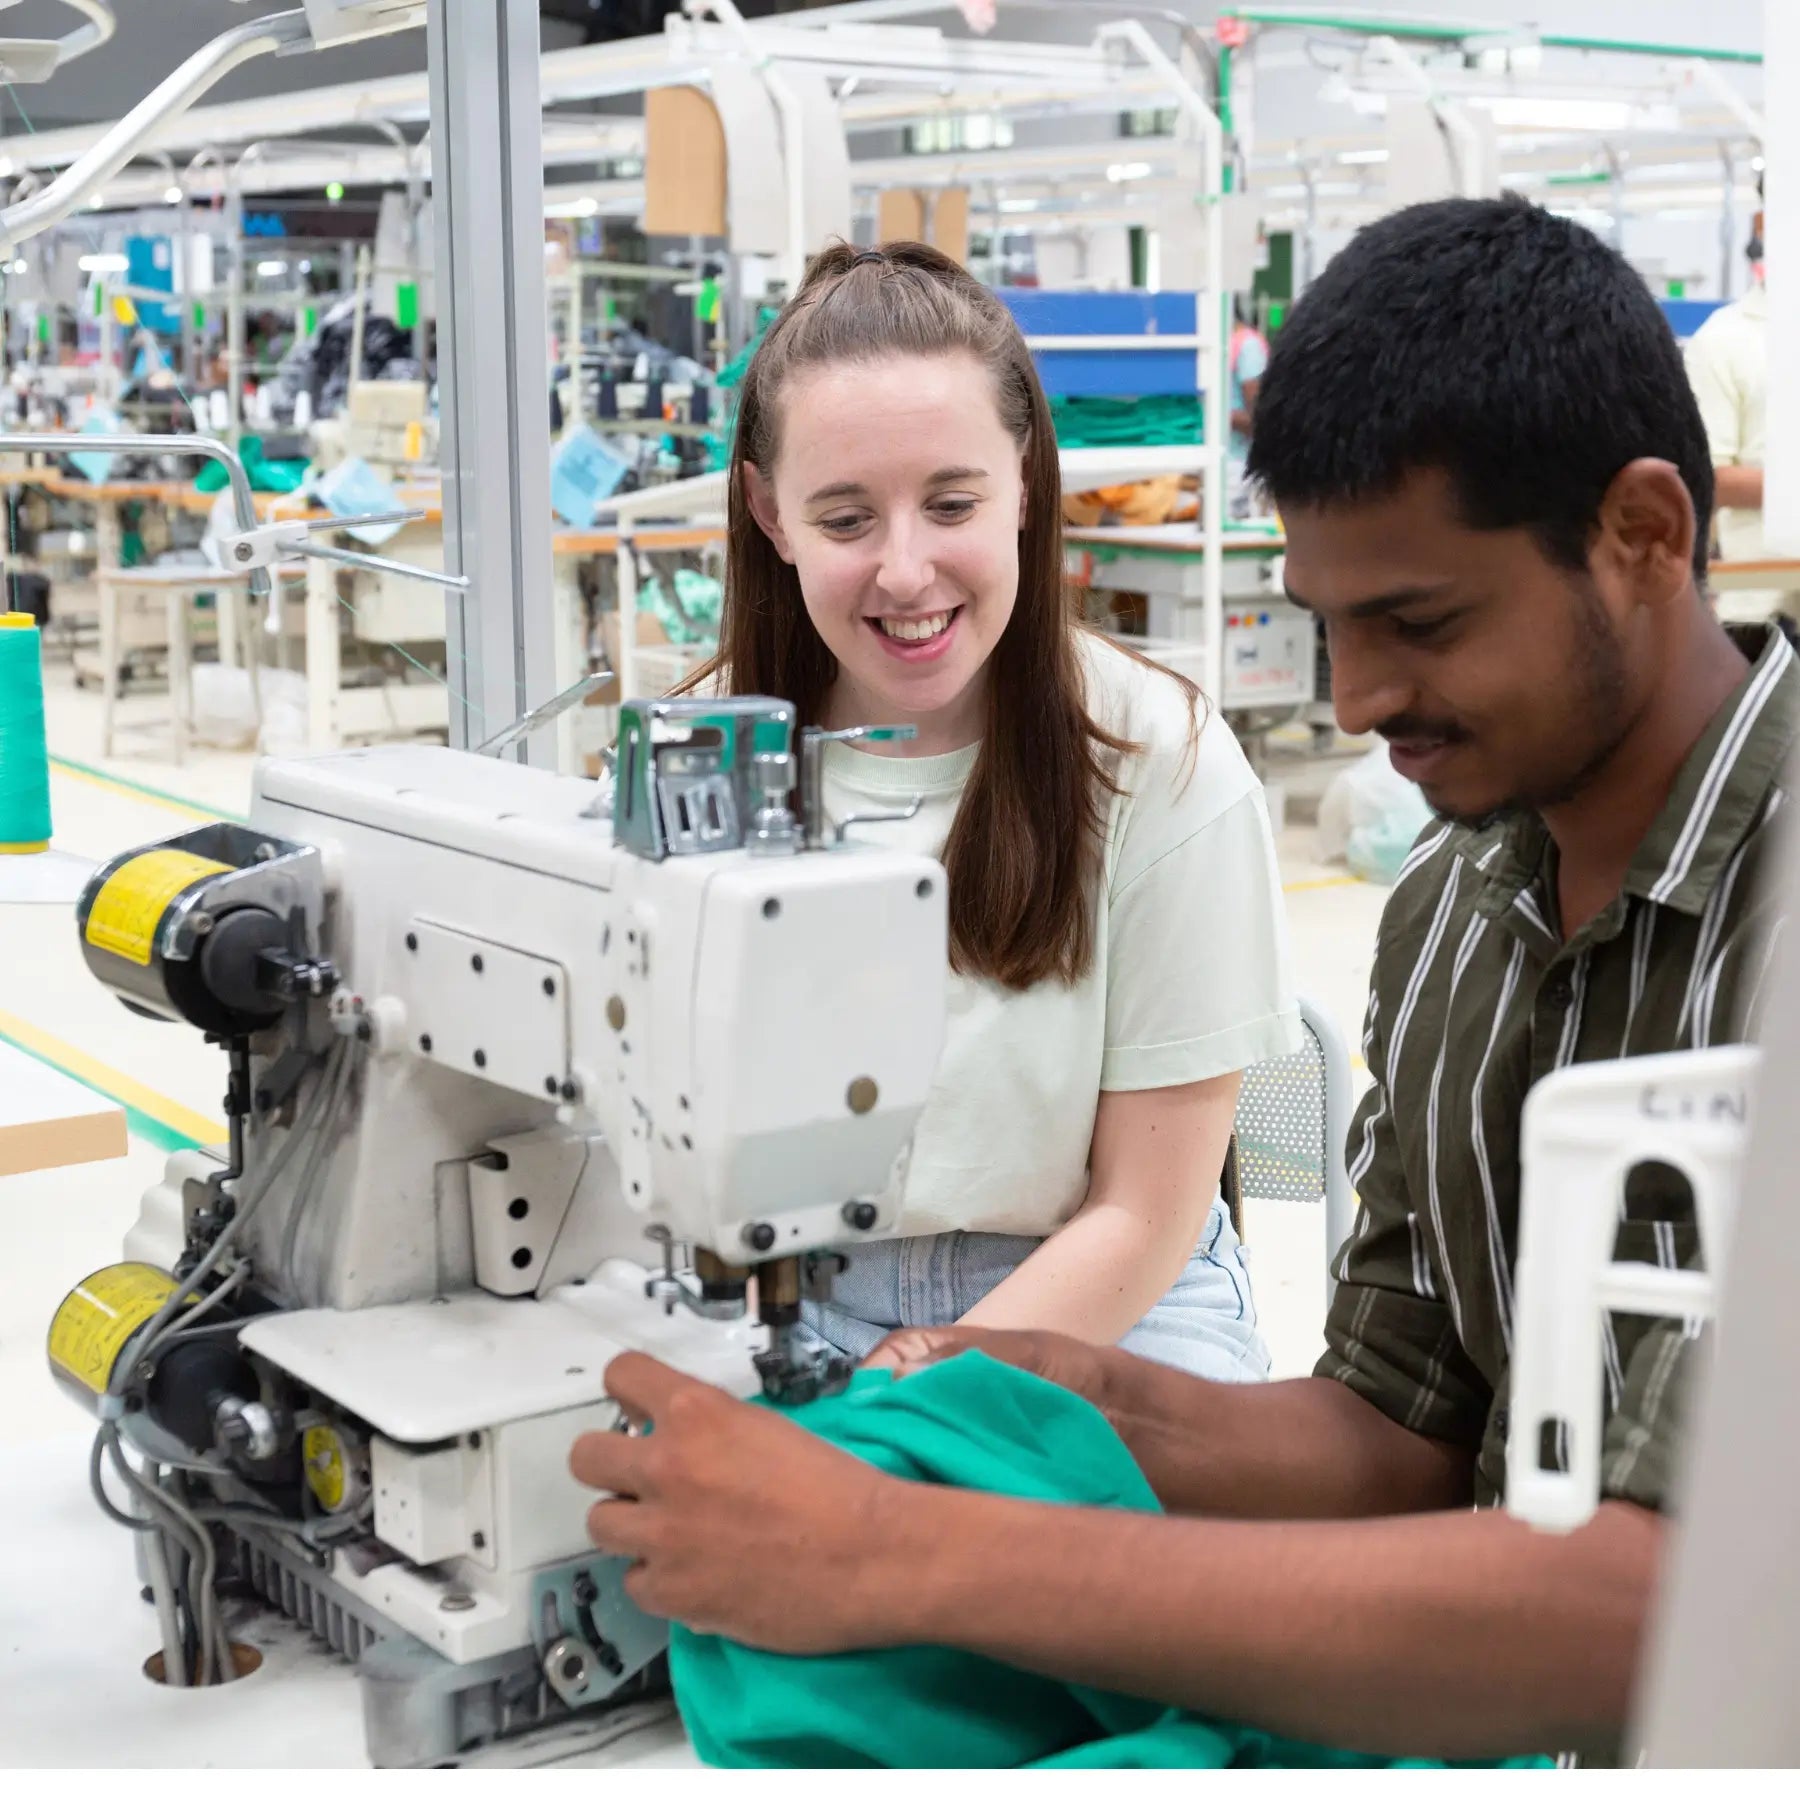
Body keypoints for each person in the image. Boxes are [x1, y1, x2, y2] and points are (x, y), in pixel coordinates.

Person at [572, 197, 1795, 1762]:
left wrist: (915, 1549)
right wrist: (995, 1400)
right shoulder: (1455, 915)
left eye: (1416, 623)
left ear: (1644, 536)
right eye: (1328, 628)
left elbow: (1680, 1602)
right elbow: (1394, 1429)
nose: (1355, 703)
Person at [679, 241, 1299, 1379]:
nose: (906, 572)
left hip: (1111, 1293)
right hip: (779, 1294)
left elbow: (1146, 1212)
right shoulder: (698, 763)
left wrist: (904, 1392)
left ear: (1026, 482)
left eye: (952, 502)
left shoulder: (1163, 767)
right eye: (846, 519)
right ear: (770, 515)